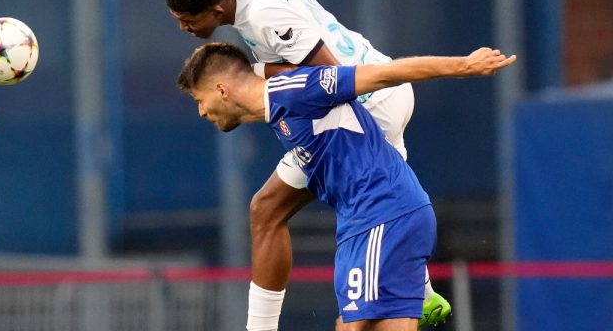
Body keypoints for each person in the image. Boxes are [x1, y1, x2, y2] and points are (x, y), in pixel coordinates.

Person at [165, 0, 450, 327]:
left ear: (215, 8)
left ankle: (407, 295)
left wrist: (253, 75)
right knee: (268, 209)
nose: (183, 29)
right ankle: (421, 292)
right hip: (383, 86)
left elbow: (330, 78)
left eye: (188, 21)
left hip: (370, 103)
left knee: (345, 207)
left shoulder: (265, 19)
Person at [176, 42, 516, 331]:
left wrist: (465, 65)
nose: (202, 112)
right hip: (369, 223)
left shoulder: (293, 91)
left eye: (199, 100)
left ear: (222, 90)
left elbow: (384, 74)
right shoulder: (277, 109)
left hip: (383, 217)